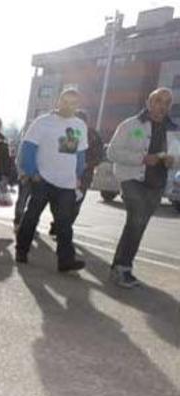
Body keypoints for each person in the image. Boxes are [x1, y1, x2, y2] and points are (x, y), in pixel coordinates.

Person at [109, 87, 178, 288]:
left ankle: (119, 266)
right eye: (158, 101)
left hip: (156, 185)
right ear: (149, 102)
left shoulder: (174, 130)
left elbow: (178, 158)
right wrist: (142, 158)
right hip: (131, 180)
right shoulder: (131, 124)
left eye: (167, 103)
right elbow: (113, 152)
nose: (162, 106)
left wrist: (172, 161)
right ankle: (123, 267)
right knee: (137, 219)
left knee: (137, 224)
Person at [15, 88, 88, 272]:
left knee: (64, 223)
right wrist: (32, 172)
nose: (68, 106)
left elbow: (80, 154)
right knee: (31, 217)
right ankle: (21, 250)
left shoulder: (80, 125)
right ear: (58, 102)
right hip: (43, 179)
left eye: (73, 103)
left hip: (67, 183)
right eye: (65, 101)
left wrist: (78, 176)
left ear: (77, 106)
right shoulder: (43, 122)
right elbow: (28, 149)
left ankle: (66, 260)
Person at [47, 110, 104, 235]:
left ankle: (64, 228)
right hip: (65, 174)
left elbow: (99, 155)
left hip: (84, 176)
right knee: (57, 202)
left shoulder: (93, 136)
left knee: (75, 204)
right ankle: (57, 223)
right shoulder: (69, 133)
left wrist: (87, 164)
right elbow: (61, 153)